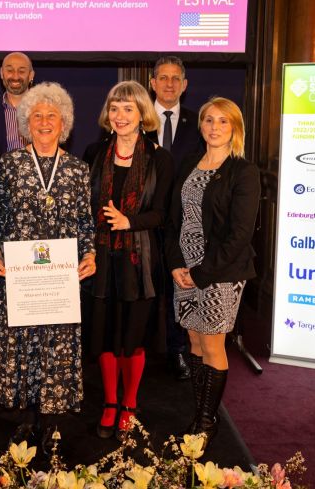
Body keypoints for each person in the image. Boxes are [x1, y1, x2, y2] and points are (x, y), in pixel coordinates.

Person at [0, 82, 96, 450]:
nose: (44, 122)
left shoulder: (77, 169)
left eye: (52, 116)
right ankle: (24, 420)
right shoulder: (9, 164)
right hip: (19, 276)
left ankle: (50, 422)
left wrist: (89, 255)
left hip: (59, 279)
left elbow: (85, 221)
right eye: (37, 116)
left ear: (64, 123)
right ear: (27, 122)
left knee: (55, 346)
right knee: (20, 347)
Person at [164, 96, 260, 450]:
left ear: (234, 127)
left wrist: (201, 272)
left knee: (213, 344)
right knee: (193, 342)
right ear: (201, 124)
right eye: (208, 120)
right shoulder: (189, 163)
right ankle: (202, 412)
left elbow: (240, 235)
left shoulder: (243, 170)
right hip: (183, 270)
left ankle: (206, 422)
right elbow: (175, 219)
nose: (214, 127)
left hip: (220, 271)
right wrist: (176, 263)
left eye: (223, 121)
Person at [84, 81, 174, 440]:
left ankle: (130, 403)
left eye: (128, 109)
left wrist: (129, 221)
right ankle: (109, 402)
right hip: (102, 259)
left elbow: (163, 214)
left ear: (142, 115)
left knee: (133, 338)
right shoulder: (94, 153)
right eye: (115, 108)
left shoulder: (159, 159)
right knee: (105, 336)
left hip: (140, 263)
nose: (120, 116)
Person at [146, 56, 203, 381]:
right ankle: (139, 350)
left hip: (183, 222)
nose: (169, 84)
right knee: (142, 288)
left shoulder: (198, 124)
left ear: (184, 85)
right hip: (142, 221)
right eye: (163, 78)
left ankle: (177, 350)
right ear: (152, 83)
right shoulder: (136, 120)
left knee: (180, 289)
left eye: (175, 78)